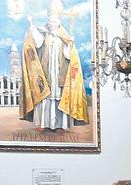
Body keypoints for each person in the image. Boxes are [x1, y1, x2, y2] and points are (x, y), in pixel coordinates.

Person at [19, 0, 88, 131]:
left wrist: (70, 44)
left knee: (58, 96)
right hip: (46, 71)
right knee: (46, 95)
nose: (52, 24)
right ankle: (46, 124)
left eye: (54, 22)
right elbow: (37, 42)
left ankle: (60, 125)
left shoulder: (65, 37)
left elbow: (69, 56)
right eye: (50, 21)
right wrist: (31, 24)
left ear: (59, 23)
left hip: (59, 73)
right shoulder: (44, 35)